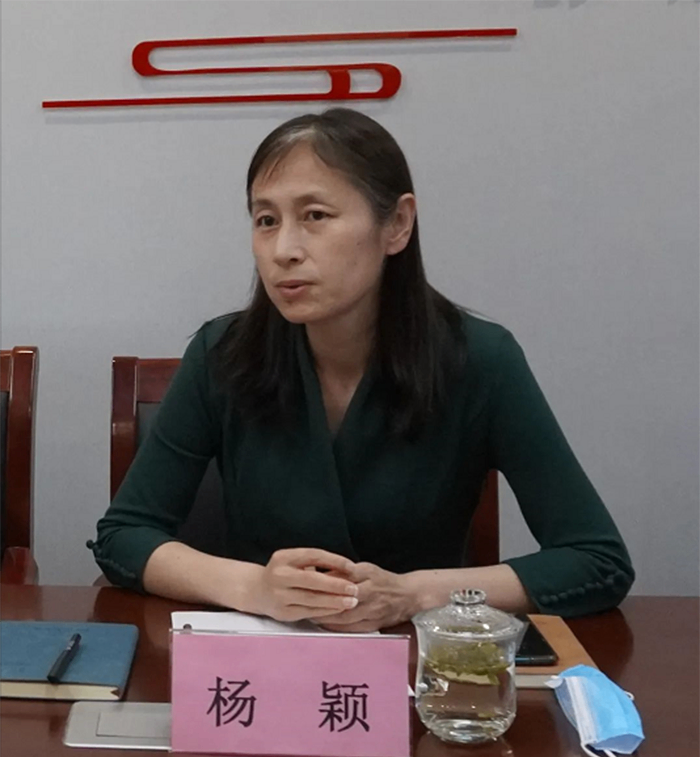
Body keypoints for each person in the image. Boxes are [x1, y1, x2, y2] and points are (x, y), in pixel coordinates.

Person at [90, 108, 634, 632]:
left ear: (396, 224)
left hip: (419, 665)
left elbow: (594, 559)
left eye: (315, 216)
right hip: (263, 660)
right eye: (266, 220)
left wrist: (414, 594)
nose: (284, 250)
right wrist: (254, 587)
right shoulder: (224, 353)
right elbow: (125, 535)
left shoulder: (479, 359)